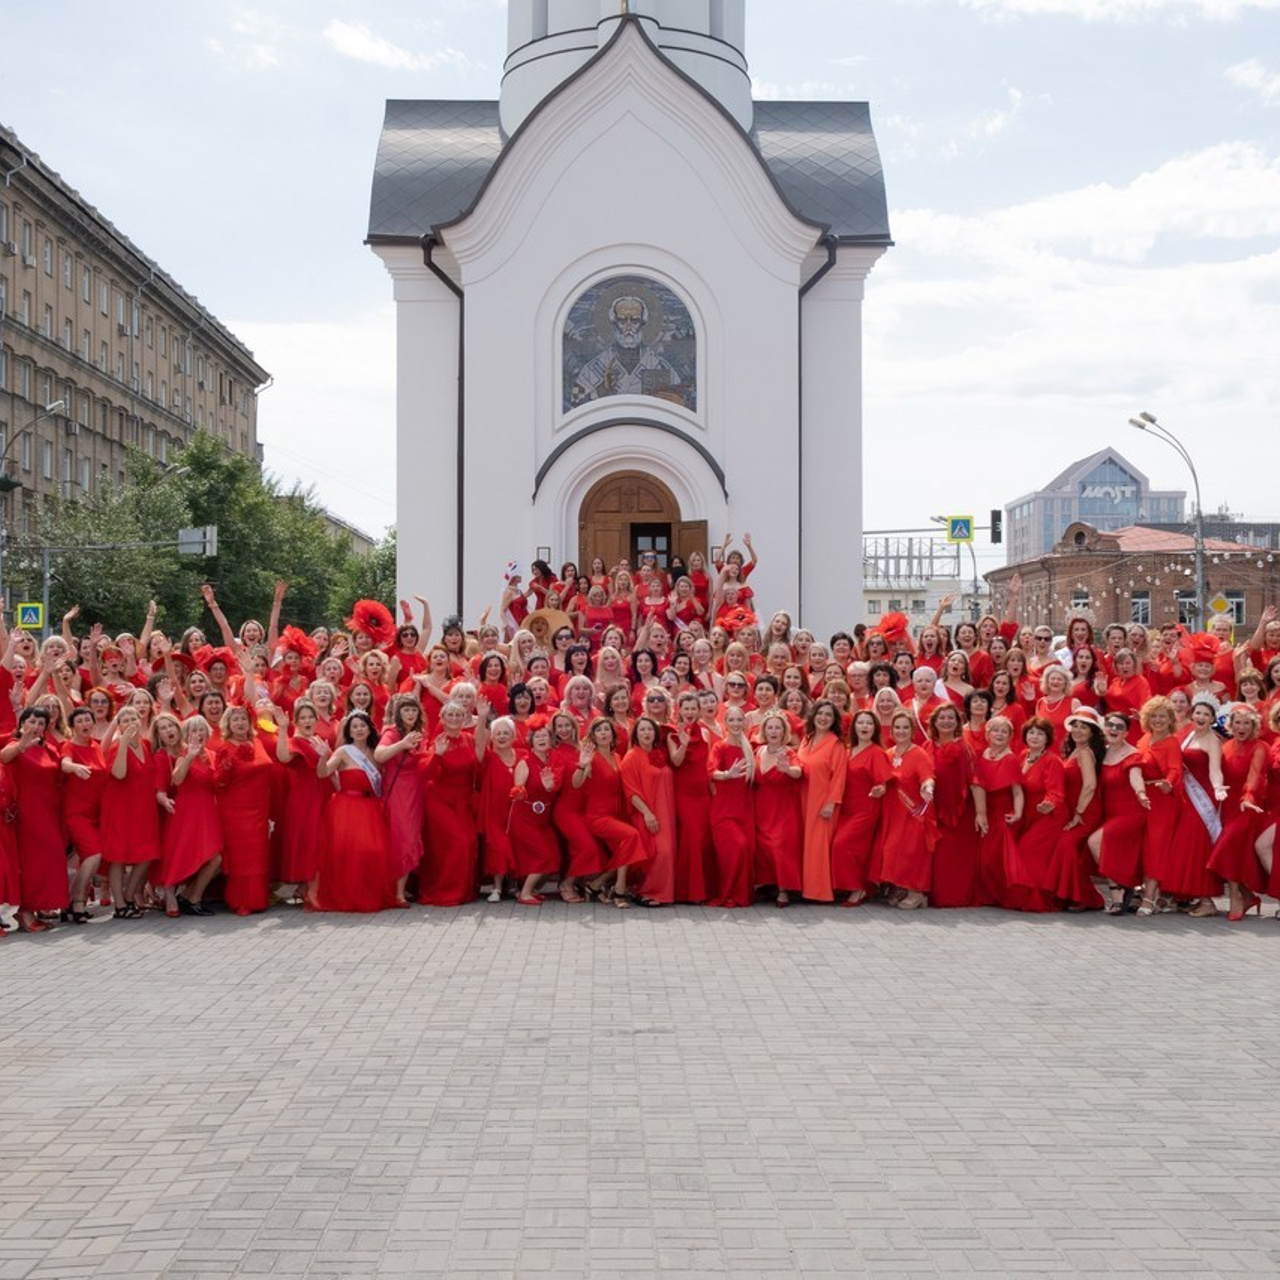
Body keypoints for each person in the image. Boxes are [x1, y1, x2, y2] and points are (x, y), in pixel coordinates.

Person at [310, 711, 398, 912]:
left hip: (371, 807)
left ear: (369, 729)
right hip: (346, 808)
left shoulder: (376, 752)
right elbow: (323, 773)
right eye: (354, 726)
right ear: (349, 731)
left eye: (362, 726)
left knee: (373, 851)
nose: (359, 729)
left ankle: (368, 893)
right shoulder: (342, 752)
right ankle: (348, 895)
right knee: (349, 853)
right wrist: (323, 757)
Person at [0, 707, 67, 932]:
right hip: (27, 814)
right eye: (31, 721)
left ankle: (35, 907)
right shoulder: (15, 744)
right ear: (22, 724)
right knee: (31, 863)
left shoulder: (48, 748)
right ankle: (25, 911)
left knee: (49, 860)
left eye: (40, 722)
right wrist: (21, 745)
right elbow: (3, 757)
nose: (36, 726)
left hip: (49, 810)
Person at [154, 715, 223, 917]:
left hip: (209, 810)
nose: (198, 734)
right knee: (182, 854)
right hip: (187, 810)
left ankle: (190, 896)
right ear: (187, 734)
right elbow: (176, 779)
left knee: (216, 859)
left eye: (202, 729)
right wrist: (190, 756)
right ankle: (175, 893)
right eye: (193, 730)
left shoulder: (212, 754)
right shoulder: (184, 754)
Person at [575, 718, 647, 907]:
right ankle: (619, 891)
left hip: (616, 815)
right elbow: (576, 783)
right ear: (593, 735)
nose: (604, 733)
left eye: (607, 730)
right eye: (599, 731)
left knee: (628, 853)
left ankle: (595, 884)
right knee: (632, 837)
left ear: (612, 735)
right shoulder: (591, 757)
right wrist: (582, 765)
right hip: (598, 816)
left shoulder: (616, 757)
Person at [100, 704, 161, 919]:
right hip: (120, 809)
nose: (129, 723)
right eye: (124, 720)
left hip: (144, 808)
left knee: (148, 854)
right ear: (119, 725)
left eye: (133, 719)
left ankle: (128, 894)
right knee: (118, 856)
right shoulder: (117, 747)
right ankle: (119, 904)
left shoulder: (146, 744)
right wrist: (124, 743)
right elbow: (119, 773)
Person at [873, 707, 937, 910]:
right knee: (893, 851)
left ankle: (916, 893)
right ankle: (901, 888)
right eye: (897, 728)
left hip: (913, 812)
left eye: (905, 728)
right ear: (891, 731)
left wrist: (928, 788)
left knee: (912, 853)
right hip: (893, 813)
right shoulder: (889, 753)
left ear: (912, 730)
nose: (901, 731)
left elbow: (927, 777)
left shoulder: (918, 754)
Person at [214, 705, 275, 916]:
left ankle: (258, 898)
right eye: (235, 720)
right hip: (235, 810)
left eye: (243, 719)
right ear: (228, 725)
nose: (240, 723)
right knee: (242, 856)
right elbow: (218, 783)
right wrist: (226, 771)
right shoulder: (224, 748)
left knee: (258, 854)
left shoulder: (257, 742)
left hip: (259, 807)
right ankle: (240, 900)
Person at [1089, 711, 1152, 914]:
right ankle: (1128, 888)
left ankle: (1118, 891)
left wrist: (1141, 792)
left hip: (1131, 812)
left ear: (1126, 733)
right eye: (1110, 725)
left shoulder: (1132, 754)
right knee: (1108, 849)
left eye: (1119, 727)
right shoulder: (1102, 752)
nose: (1113, 729)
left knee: (1095, 842)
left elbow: (1136, 776)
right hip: (1108, 812)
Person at [418, 701, 480, 906]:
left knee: (469, 841)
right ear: (442, 719)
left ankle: (464, 891)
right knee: (457, 842)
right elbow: (425, 773)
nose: (454, 719)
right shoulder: (438, 742)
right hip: (439, 799)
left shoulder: (469, 739)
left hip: (462, 800)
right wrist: (438, 755)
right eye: (450, 715)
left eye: (458, 715)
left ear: (464, 719)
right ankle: (445, 890)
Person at [830, 709, 889, 906]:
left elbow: (882, 782)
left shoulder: (877, 753)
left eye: (869, 723)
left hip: (866, 808)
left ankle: (858, 888)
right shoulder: (847, 750)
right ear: (854, 727)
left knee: (843, 844)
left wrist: (880, 789)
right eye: (861, 723)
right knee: (852, 849)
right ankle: (849, 885)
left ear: (875, 728)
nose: (864, 727)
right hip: (846, 808)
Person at [620, 715, 676, 906]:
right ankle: (648, 891)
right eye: (642, 729)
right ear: (635, 734)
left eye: (650, 729)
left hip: (665, 811)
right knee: (660, 852)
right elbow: (630, 791)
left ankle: (659, 892)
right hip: (646, 812)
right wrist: (647, 813)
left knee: (667, 852)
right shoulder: (631, 757)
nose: (646, 733)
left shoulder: (659, 753)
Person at [58, 705, 106, 923]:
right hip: (76, 814)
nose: (85, 724)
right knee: (94, 854)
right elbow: (64, 763)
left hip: (96, 813)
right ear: (72, 726)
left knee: (92, 857)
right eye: (80, 721)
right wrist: (74, 767)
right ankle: (77, 901)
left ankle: (70, 901)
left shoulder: (96, 746)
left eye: (88, 720)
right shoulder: (69, 746)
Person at [753, 710, 805, 906]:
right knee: (762, 846)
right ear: (764, 730)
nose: (773, 731)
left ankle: (784, 889)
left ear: (784, 731)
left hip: (783, 808)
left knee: (780, 847)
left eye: (777, 727)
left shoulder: (789, 752)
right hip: (761, 806)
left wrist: (787, 770)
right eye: (770, 727)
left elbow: (798, 772)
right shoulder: (758, 751)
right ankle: (767, 884)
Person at [508, 721, 564, 904]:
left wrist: (550, 788)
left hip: (543, 819)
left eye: (544, 736)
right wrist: (520, 792)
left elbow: (554, 788)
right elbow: (518, 788)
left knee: (554, 856)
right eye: (537, 736)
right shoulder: (525, 762)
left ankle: (531, 889)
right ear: (531, 742)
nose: (541, 739)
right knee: (542, 855)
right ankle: (524, 893)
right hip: (525, 817)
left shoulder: (553, 760)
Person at [797, 699, 847, 902]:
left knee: (818, 847)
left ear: (834, 719)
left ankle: (818, 892)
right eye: (820, 713)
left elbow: (839, 777)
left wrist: (831, 802)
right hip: (802, 798)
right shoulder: (806, 739)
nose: (823, 718)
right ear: (813, 716)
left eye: (828, 714)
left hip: (822, 801)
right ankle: (803, 888)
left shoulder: (836, 744)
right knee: (805, 845)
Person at [706, 705, 755, 907]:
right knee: (736, 847)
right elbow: (711, 771)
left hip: (744, 809)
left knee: (744, 851)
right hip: (723, 810)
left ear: (745, 723)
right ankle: (726, 893)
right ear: (725, 723)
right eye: (731, 720)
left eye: (739, 720)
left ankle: (739, 895)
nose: (736, 724)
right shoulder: (719, 747)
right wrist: (727, 775)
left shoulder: (749, 748)